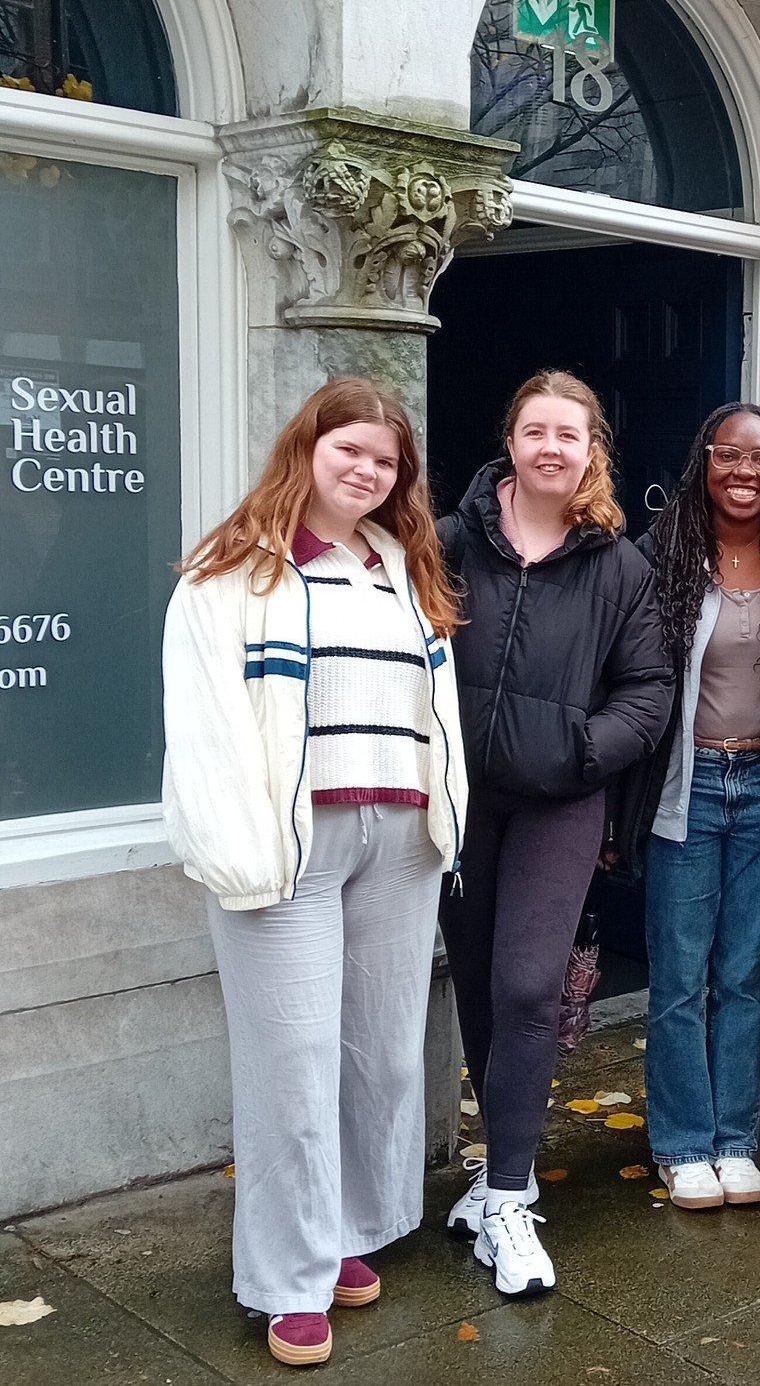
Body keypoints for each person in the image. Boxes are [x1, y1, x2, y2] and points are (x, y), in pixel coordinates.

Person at [161, 378, 467, 1369]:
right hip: (289, 844)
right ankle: (288, 1280)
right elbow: (204, 730)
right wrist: (238, 850)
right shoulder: (233, 566)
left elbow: (436, 711)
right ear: (308, 447)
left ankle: (342, 1231)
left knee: (380, 1053)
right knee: (291, 1064)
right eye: (351, 451)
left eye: (385, 460)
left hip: (398, 836)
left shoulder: (397, 562)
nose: (367, 471)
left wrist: (445, 814)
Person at [437, 370, 672, 1297]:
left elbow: (650, 690)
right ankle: (507, 1167)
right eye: (535, 430)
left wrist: (582, 750)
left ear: (591, 452)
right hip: (459, 804)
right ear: (511, 440)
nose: (550, 447)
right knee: (482, 994)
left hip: (561, 801)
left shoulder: (619, 567)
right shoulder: (450, 542)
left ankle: (505, 1200)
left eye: (568, 434)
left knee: (530, 986)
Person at [638, 402, 760, 1210]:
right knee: (680, 974)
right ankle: (681, 1141)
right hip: (692, 786)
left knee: (743, 972)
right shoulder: (664, 555)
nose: (746, 472)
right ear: (703, 462)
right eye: (729, 456)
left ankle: (735, 1138)